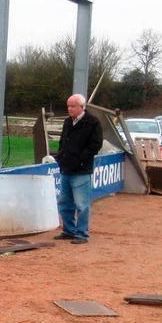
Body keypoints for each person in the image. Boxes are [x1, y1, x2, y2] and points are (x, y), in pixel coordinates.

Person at [53, 93, 103, 244]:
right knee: (64, 202)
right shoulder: (68, 122)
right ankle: (68, 230)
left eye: (72, 106)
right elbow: (63, 141)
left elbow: (96, 145)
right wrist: (60, 157)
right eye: (68, 106)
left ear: (81, 107)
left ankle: (82, 234)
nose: (69, 109)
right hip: (66, 169)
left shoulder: (93, 122)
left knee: (82, 204)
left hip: (81, 171)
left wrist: (81, 160)